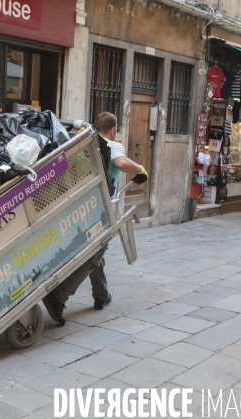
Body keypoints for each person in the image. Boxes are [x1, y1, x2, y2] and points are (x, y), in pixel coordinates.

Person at [42, 112, 148, 326]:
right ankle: (59, 296)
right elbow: (120, 162)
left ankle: (101, 295)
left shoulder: (84, 142)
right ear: (113, 129)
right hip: (101, 209)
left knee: (96, 250)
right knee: (95, 251)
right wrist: (140, 169)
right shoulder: (112, 144)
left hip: (79, 205)